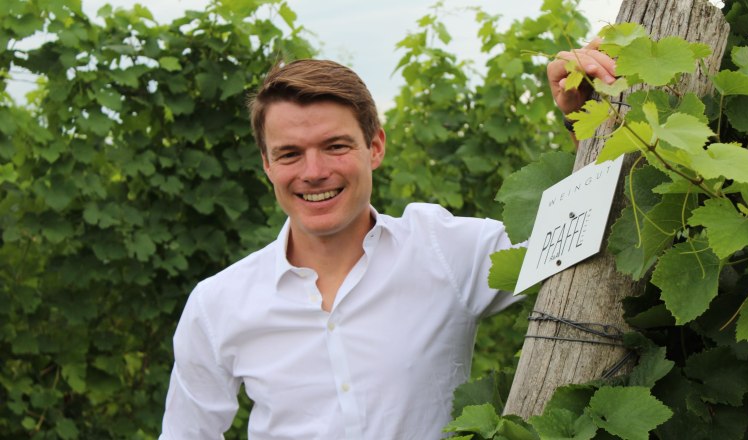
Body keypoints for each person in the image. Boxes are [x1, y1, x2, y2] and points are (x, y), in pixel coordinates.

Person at [160, 44, 615, 439]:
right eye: (290, 153)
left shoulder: (441, 251)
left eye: (335, 146)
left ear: (375, 147)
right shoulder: (218, 304)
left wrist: (586, 125)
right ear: (267, 165)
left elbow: (574, 237)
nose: (313, 171)